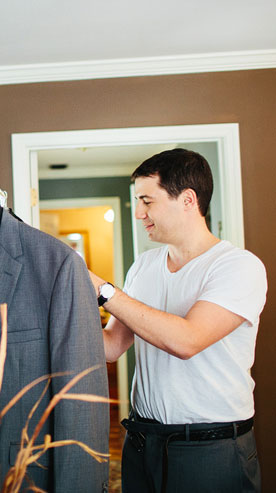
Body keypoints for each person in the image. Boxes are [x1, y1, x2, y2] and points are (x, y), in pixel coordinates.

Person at [89, 148, 267, 492]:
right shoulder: (143, 265)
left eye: (147, 201)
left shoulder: (238, 266)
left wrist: (105, 291)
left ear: (187, 200)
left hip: (209, 448)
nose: (139, 212)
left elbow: (188, 340)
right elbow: (111, 347)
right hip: (142, 441)